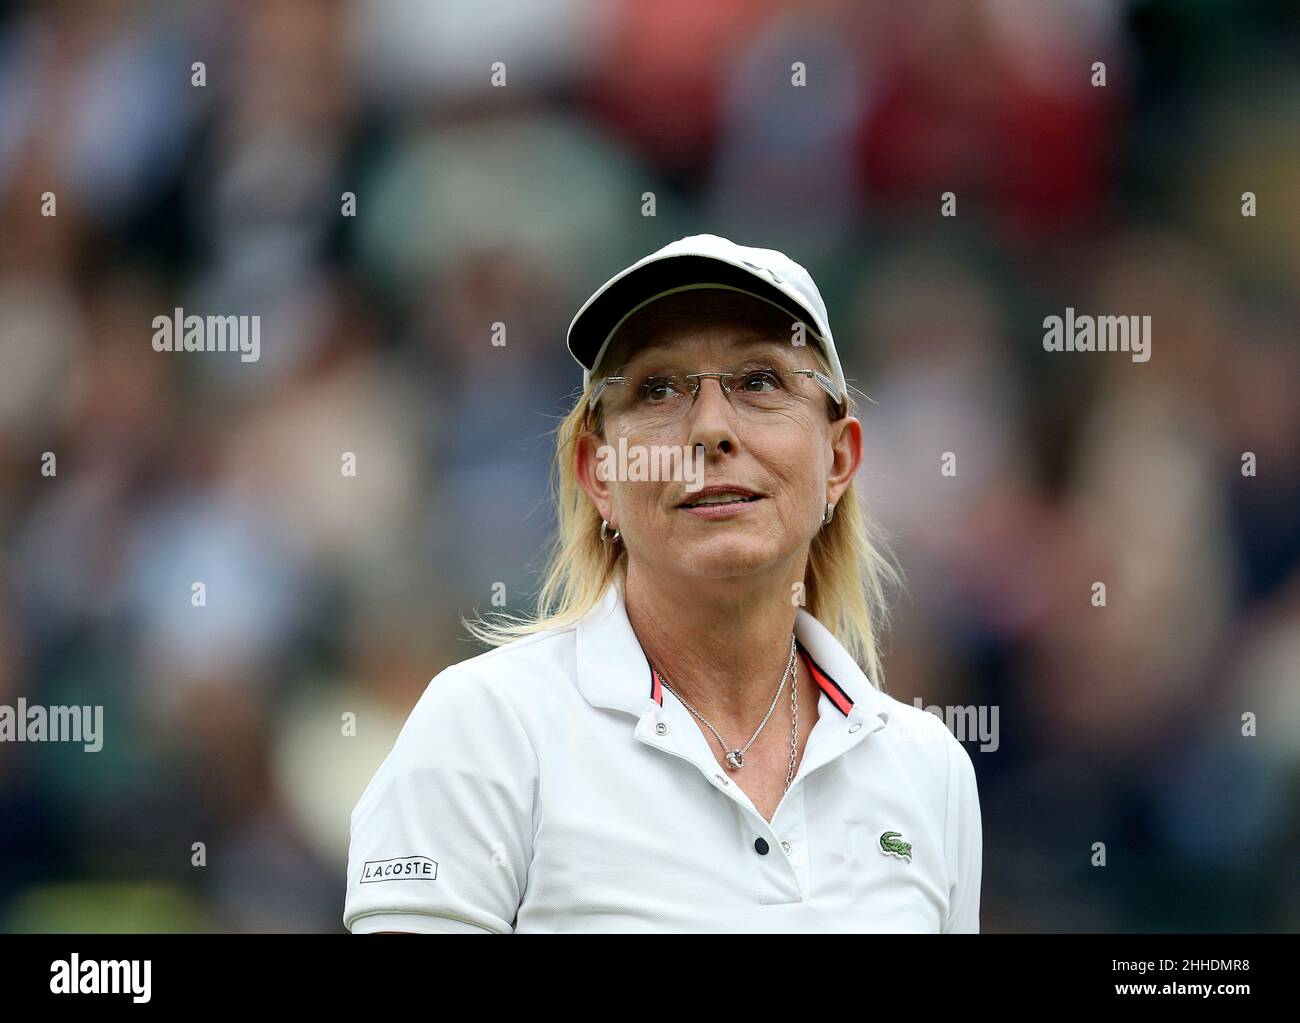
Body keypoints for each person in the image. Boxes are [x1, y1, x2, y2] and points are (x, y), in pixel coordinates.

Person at [344, 234, 982, 933]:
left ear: (838, 458)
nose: (711, 429)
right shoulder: (486, 726)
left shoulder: (929, 770)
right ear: (600, 475)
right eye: (656, 388)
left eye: (761, 380)